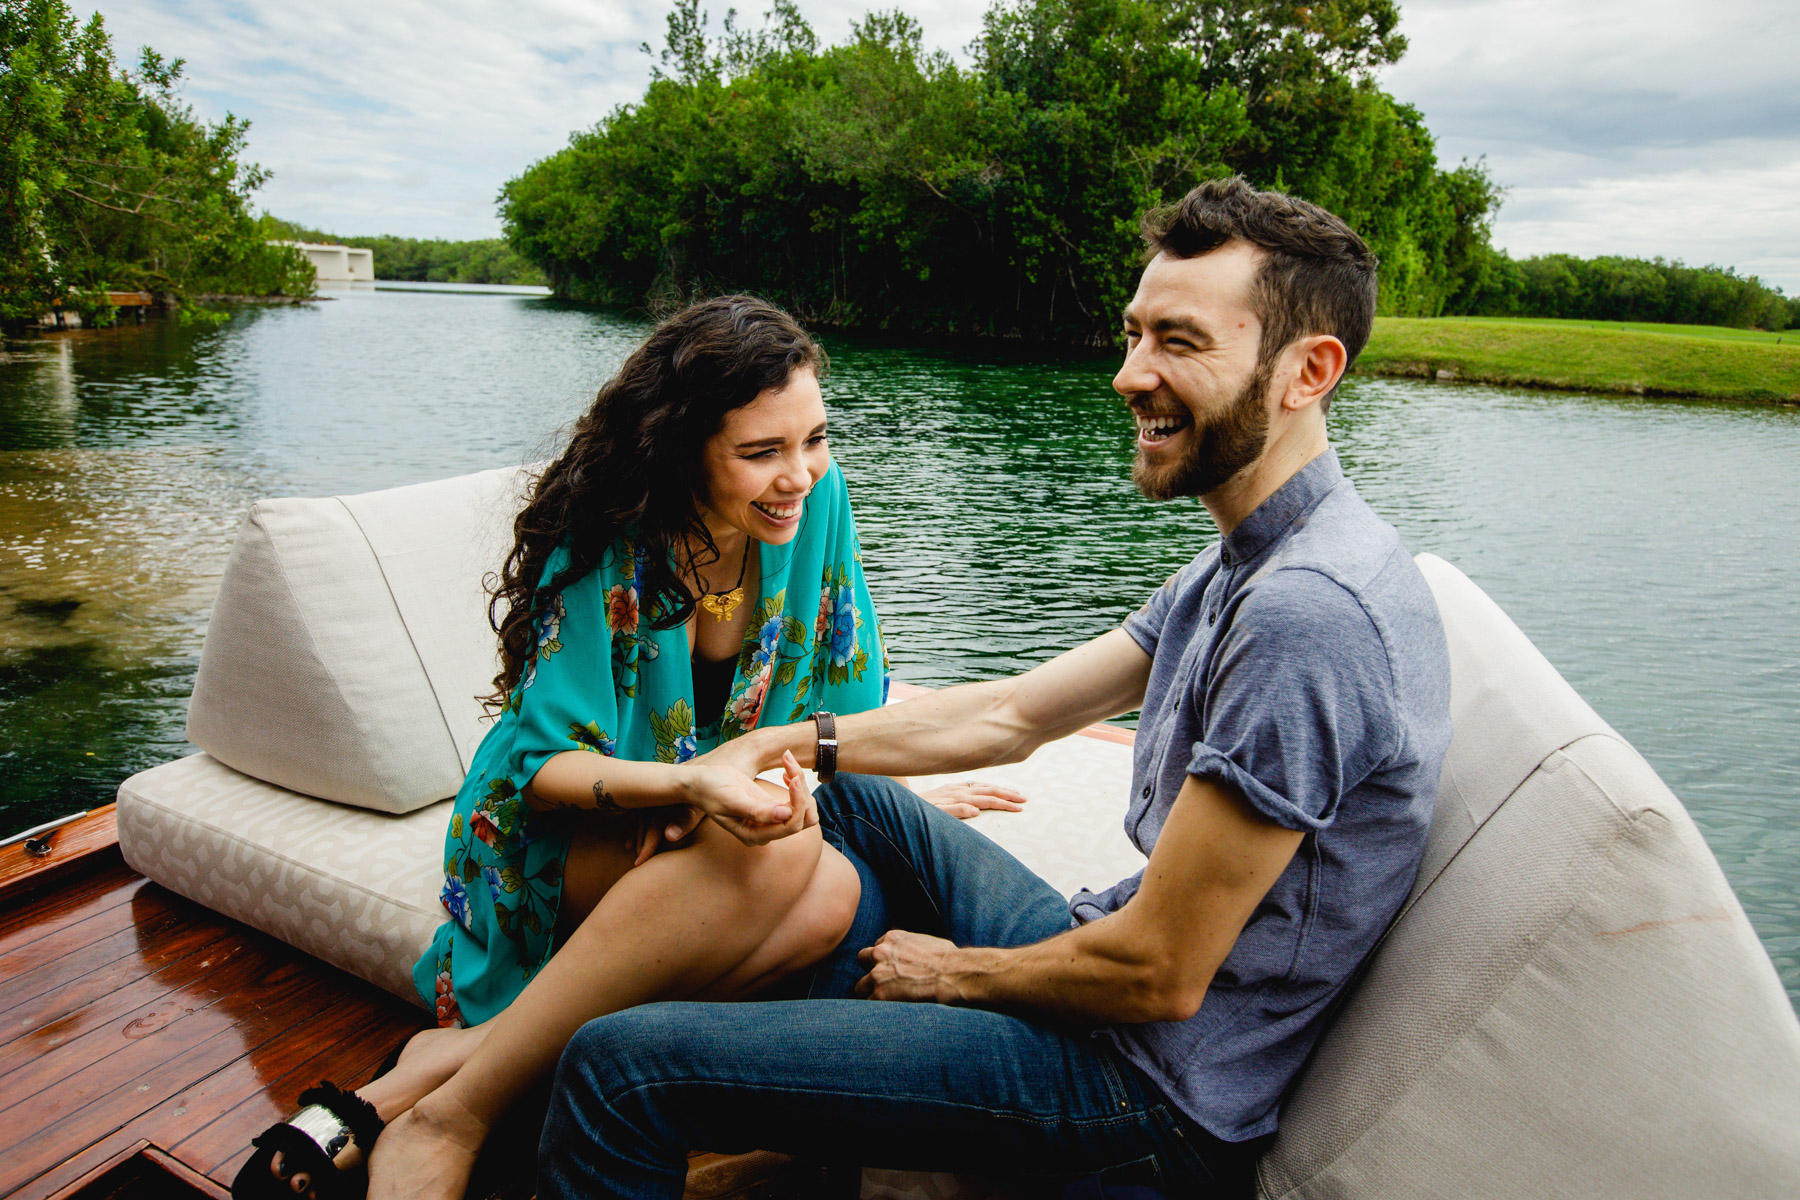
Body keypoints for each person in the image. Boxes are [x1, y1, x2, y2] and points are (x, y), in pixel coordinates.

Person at [532, 177, 1455, 1199]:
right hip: (1114, 979)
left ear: (1306, 371)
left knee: (619, 1072)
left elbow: (1161, 972)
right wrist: (767, 749)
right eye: (1134, 332)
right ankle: (819, 1137)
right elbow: (1017, 714)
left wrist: (954, 975)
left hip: (1150, 1089)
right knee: (857, 802)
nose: (1127, 375)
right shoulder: (1253, 555)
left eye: (1178, 343)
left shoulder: (1307, 613)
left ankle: (734, 1105)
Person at [234, 295, 1025, 1200]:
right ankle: (452, 1122)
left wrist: (887, 804)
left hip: (708, 818)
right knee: (799, 861)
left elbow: (842, 703)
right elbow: (543, 766)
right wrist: (680, 789)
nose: (799, 475)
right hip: (553, 826)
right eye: (761, 452)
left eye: (814, 439)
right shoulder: (611, 530)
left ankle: (439, 1070)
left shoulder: (818, 502)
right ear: (683, 448)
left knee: (830, 891)